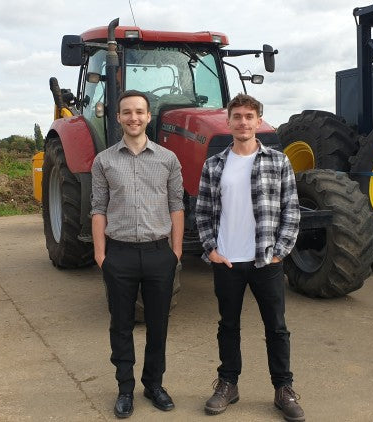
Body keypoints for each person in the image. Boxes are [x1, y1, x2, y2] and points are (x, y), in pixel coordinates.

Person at [195, 93, 304, 421]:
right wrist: (211, 249)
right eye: (237, 116)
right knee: (228, 325)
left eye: (249, 116)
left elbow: (291, 209)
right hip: (227, 260)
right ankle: (228, 383)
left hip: (265, 261)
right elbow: (201, 210)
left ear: (258, 121)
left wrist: (279, 252)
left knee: (277, 327)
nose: (243, 122)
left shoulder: (278, 161)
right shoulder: (214, 164)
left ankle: (283, 389)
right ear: (228, 122)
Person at [91, 89, 184, 419]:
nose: (133, 117)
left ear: (148, 117)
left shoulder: (167, 159)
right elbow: (98, 209)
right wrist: (102, 257)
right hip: (120, 256)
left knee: (159, 325)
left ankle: (154, 384)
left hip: (159, 254)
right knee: (121, 325)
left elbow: (176, 206)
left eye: (140, 112)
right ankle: (125, 388)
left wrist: (174, 252)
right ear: (118, 118)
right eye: (127, 112)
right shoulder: (104, 161)